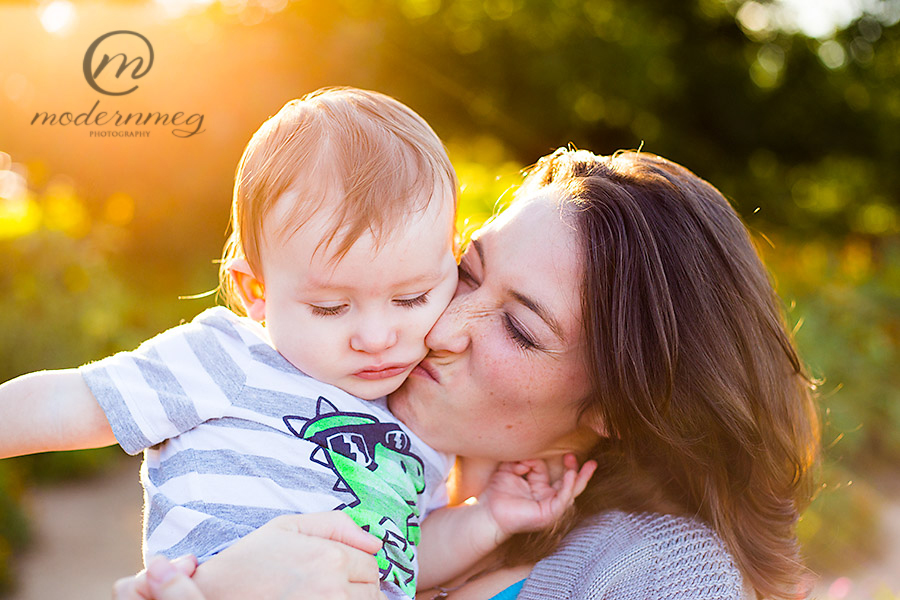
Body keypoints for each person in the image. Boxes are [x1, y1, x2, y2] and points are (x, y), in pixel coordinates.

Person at [115, 147, 820, 600]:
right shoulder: (342, 479)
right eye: (467, 273)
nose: (442, 330)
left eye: (519, 327)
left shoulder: (657, 576)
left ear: (621, 408)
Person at [0, 88, 594, 600]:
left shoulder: (419, 425)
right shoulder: (227, 359)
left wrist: (486, 519)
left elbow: (399, 565)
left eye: (413, 297)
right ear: (256, 292)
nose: (377, 337)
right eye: (331, 307)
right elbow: (71, 403)